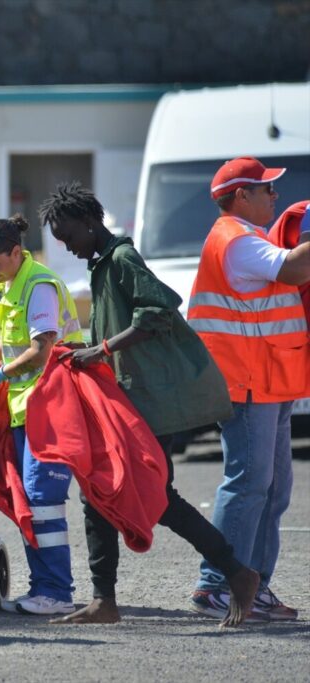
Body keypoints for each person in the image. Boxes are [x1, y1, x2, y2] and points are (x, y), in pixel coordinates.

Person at [40, 182, 260, 627]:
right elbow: (120, 328)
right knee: (102, 492)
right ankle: (106, 599)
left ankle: (236, 572)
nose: (68, 247)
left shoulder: (121, 259)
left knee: (151, 497)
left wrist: (100, 350)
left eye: (68, 238)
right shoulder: (102, 264)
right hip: (132, 400)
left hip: (154, 402)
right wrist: (83, 349)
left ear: (89, 223)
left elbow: (157, 312)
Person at [187, 157, 310, 621]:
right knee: (249, 485)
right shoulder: (235, 240)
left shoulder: (248, 238)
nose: (275, 197)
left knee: (273, 490)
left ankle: (254, 584)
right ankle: (216, 584)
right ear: (242, 196)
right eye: (267, 190)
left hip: (268, 382)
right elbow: (298, 270)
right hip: (249, 384)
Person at [0, 214, 83, 615]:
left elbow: (41, 350)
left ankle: (55, 592)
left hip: (50, 405)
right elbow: (8, 346)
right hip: (26, 408)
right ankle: (46, 588)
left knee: (43, 501)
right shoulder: (13, 283)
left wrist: (1, 371)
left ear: (16, 253)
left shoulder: (38, 287)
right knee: (31, 501)